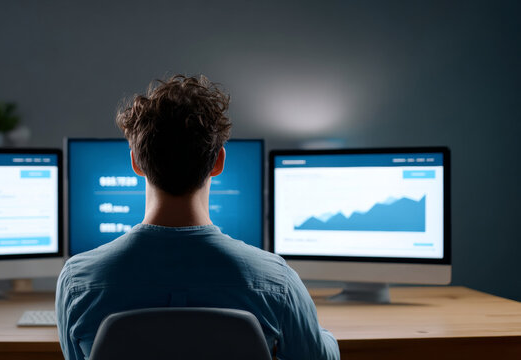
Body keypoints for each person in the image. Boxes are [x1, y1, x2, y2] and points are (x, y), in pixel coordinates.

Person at [56, 75, 340, 360]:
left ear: (136, 162)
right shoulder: (277, 283)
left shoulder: (78, 282)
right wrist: (316, 332)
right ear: (218, 162)